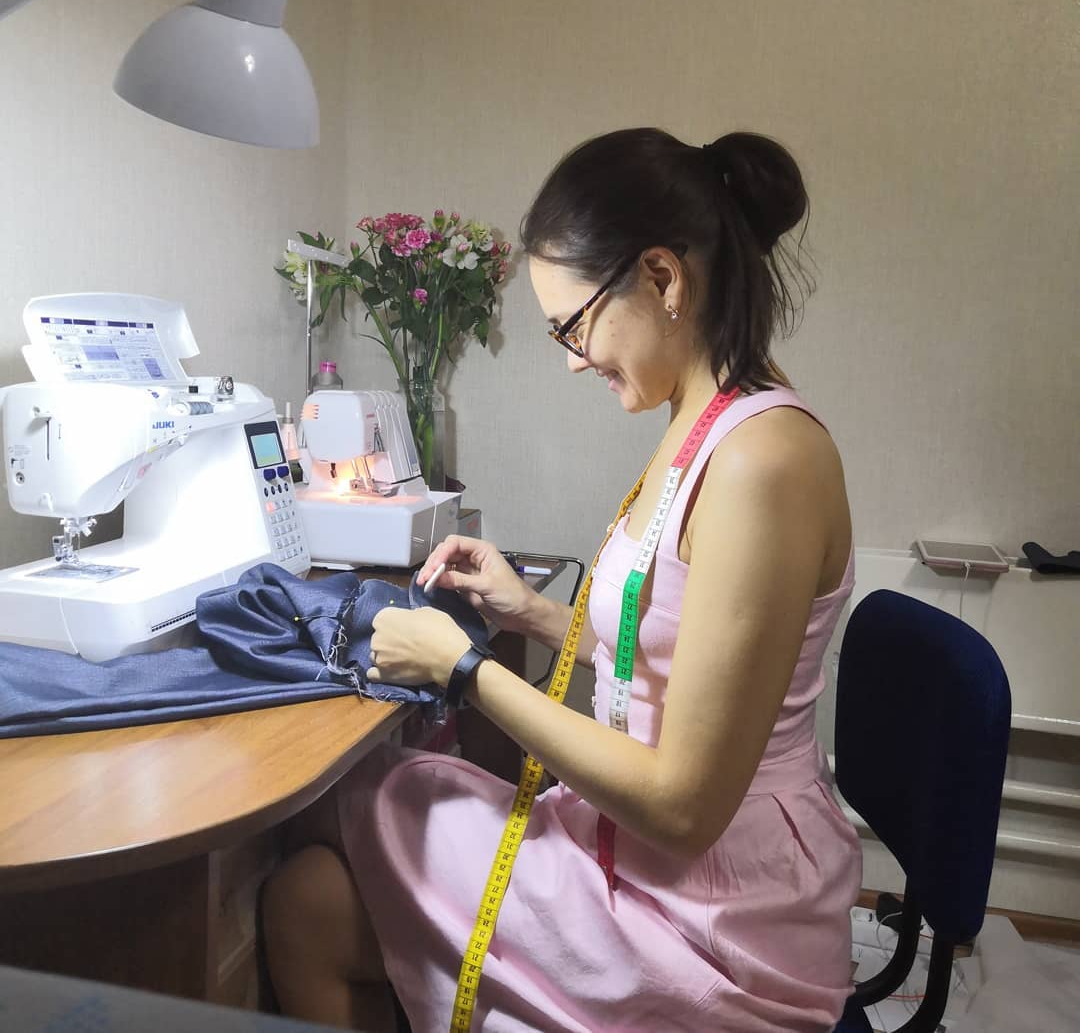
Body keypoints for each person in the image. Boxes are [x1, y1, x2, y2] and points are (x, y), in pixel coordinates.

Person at [262, 128, 862, 1032]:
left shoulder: (760, 462)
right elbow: (679, 662)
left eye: (571, 326)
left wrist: (463, 670)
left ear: (662, 279)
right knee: (317, 878)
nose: (574, 358)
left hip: (715, 909)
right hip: (657, 854)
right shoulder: (704, 422)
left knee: (334, 848)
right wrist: (535, 613)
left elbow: (686, 806)